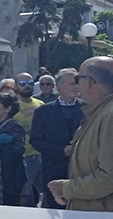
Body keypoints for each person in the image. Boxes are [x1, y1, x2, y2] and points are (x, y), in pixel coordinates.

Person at [48, 57, 113, 211]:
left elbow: (109, 178)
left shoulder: (109, 116)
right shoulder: (99, 113)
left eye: (78, 78)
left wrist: (66, 189)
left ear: (88, 81)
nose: (77, 85)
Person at [29, 68, 84, 210]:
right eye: (72, 83)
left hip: (83, 172)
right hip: (54, 170)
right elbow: (35, 140)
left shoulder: (87, 109)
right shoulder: (44, 111)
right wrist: (61, 150)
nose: (77, 86)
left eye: (78, 82)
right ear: (60, 87)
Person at [0, 92, 28, 206]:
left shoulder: (14, 127)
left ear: (8, 109)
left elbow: (19, 149)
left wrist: (2, 143)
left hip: (10, 180)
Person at [13, 72, 42, 206]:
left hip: (41, 153)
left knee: (47, 191)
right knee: (24, 194)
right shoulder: (13, 106)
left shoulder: (40, 104)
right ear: (16, 86)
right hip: (24, 156)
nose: (27, 86)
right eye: (23, 84)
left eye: (30, 83)